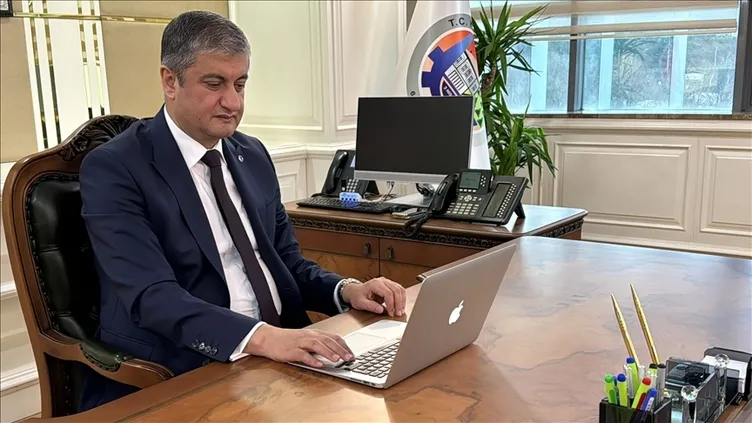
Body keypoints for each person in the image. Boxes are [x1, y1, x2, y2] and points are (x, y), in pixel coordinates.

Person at [77, 10, 406, 411]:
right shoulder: (116, 167)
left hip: (280, 356)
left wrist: (346, 290)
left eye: (241, 84)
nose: (233, 102)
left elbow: (286, 262)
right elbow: (152, 297)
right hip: (184, 367)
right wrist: (263, 337)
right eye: (214, 84)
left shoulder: (251, 154)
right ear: (170, 81)